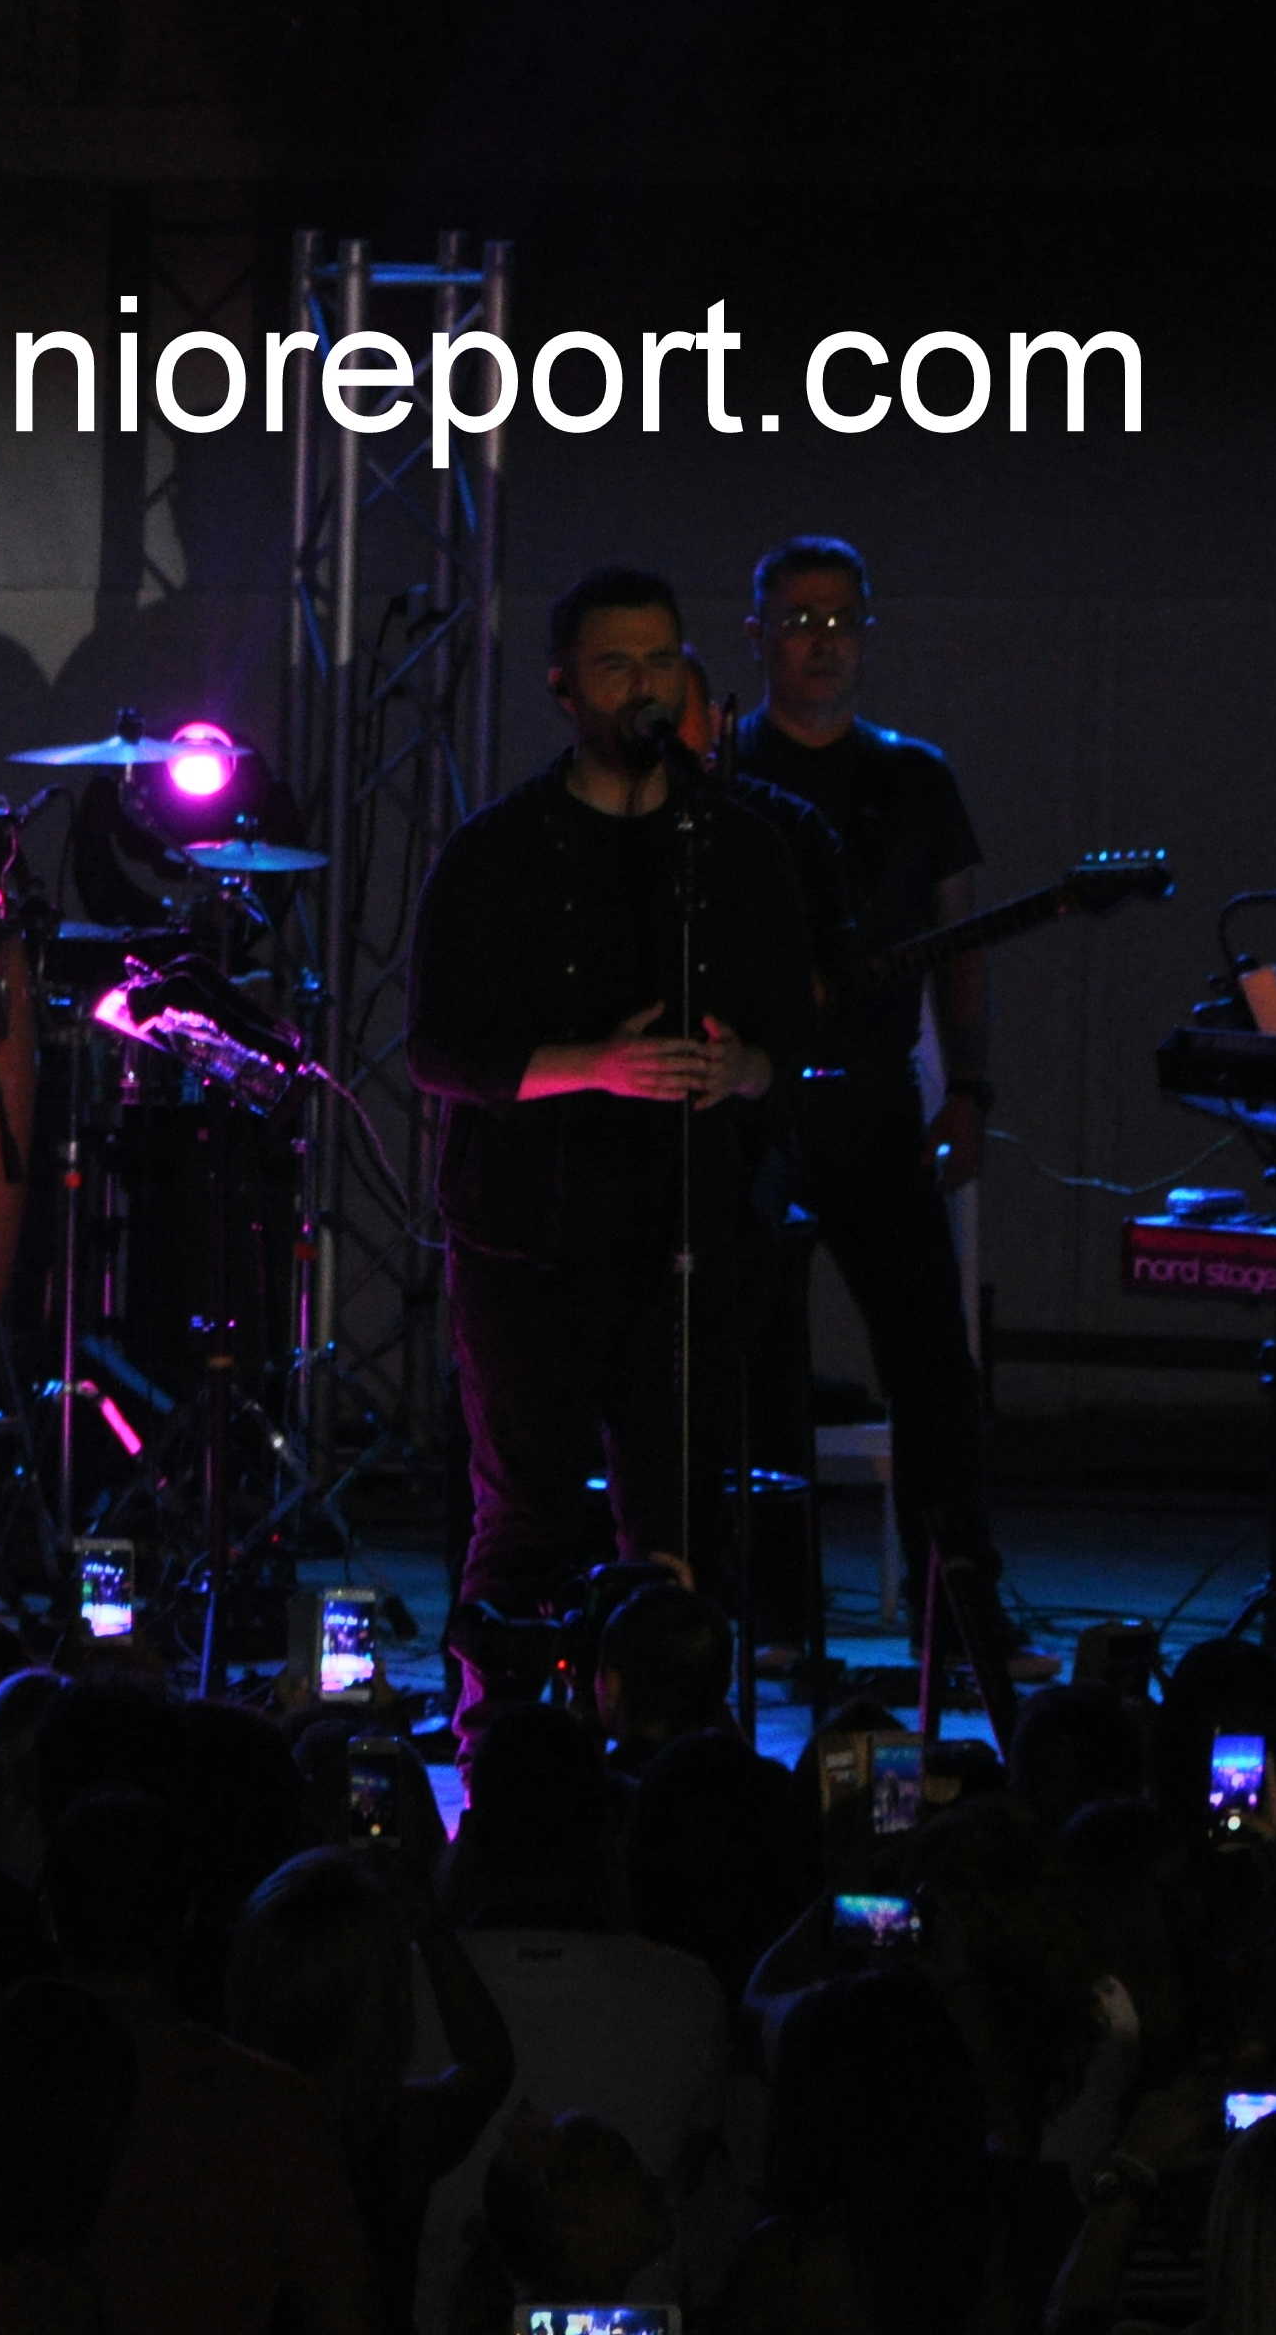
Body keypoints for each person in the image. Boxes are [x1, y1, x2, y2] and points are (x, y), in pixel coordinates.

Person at [408, 566, 823, 1734]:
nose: (642, 686)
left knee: (679, 1509)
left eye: (659, 661)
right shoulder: (498, 851)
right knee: (527, 1509)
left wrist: (747, 1068)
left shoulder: (738, 847)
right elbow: (439, 1050)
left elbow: (798, 1035)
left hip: (686, 1227)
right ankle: (500, 1743)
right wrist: (595, 1063)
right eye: (614, 665)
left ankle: (668, 1747)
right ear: (564, 687)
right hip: (526, 1230)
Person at [722, 535, 1012, 1677]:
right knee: (758, 1362)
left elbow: (962, 948)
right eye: (800, 619)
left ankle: (963, 1611)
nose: (823, 642)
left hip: (879, 1098)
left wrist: (970, 1087)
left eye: (842, 620)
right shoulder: (725, 771)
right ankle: (775, 1617)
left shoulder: (914, 778)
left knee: (932, 1357)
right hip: (755, 1108)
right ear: (757, 633)